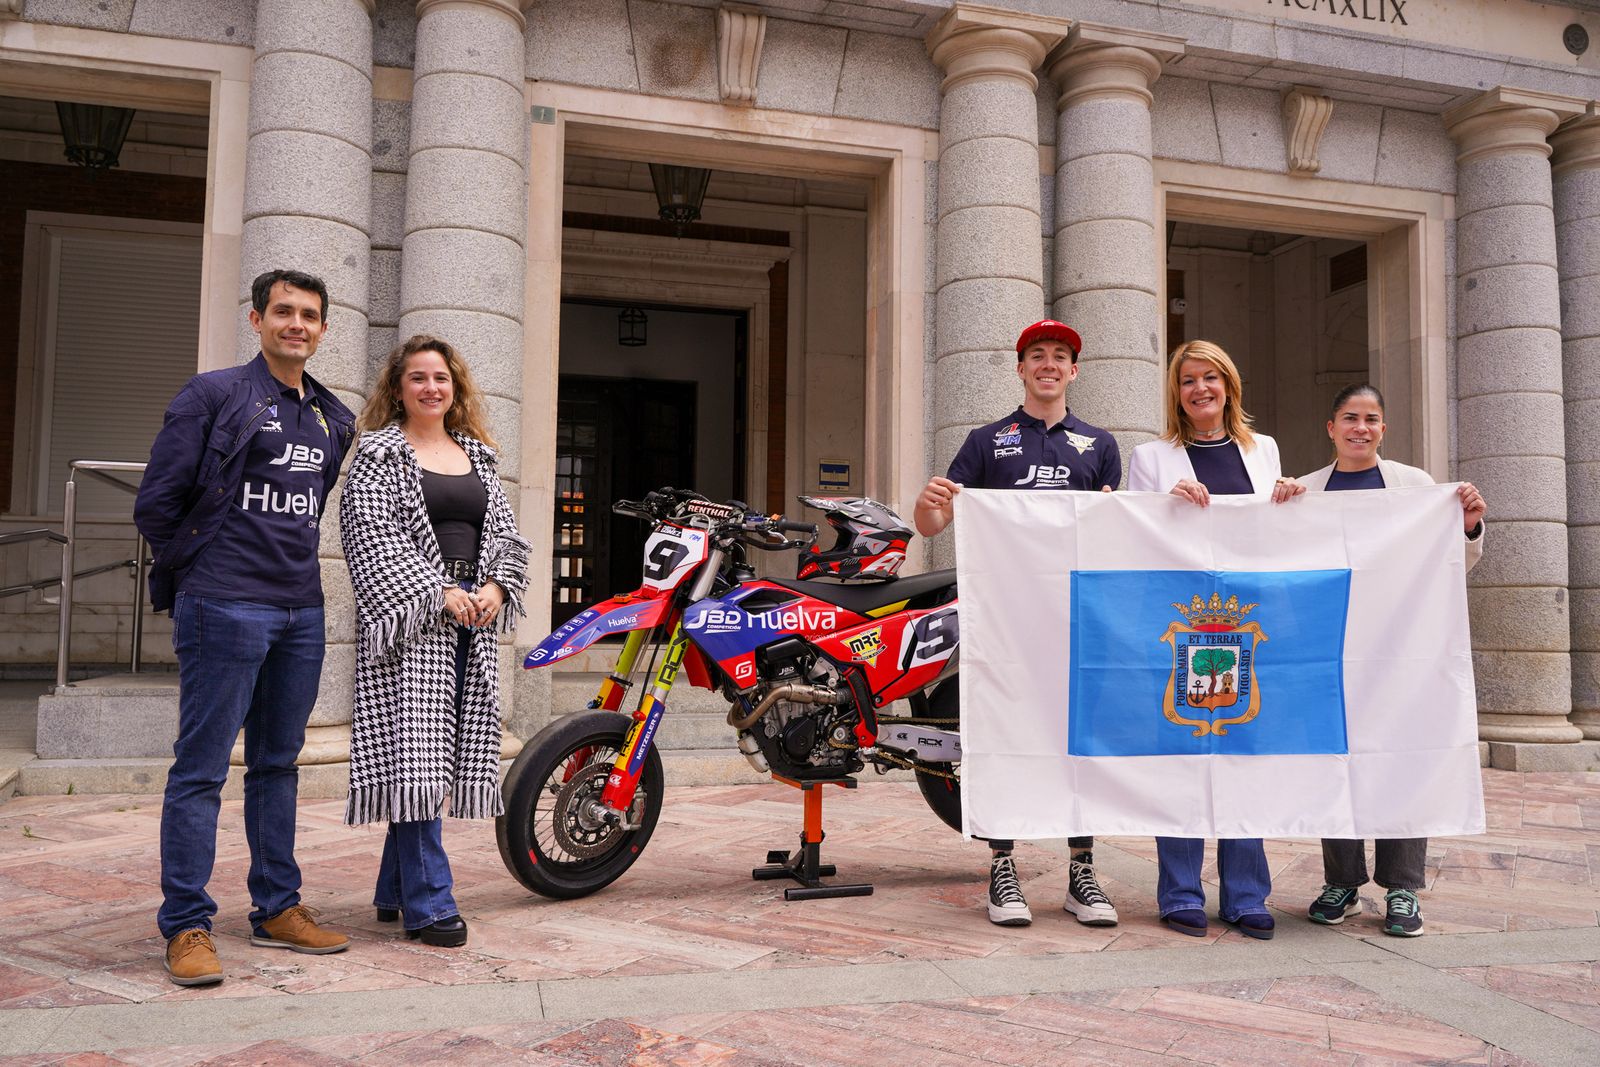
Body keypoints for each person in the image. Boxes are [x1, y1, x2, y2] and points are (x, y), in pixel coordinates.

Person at [134, 269, 357, 986]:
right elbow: (157, 502)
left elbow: (309, 506)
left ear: (323, 330)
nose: (297, 323)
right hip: (224, 604)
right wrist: (201, 575)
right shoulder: (215, 395)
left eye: (310, 315)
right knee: (200, 768)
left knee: (277, 765)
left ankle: (277, 908)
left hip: (301, 609)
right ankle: (187, 925)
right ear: (257, 318)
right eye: (284, 311)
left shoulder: (332, 417)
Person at [914, 319, 1121, 928]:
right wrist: (930, 508)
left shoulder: (1100, 444)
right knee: (1001, 737)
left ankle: (1082, 873)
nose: (1049, 364)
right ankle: (1002, 869)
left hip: (1077, 620)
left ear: (1074, 371)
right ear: (1021, 368)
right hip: (1002, 622)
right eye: (1037, 356)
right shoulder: (986, 441)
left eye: (1060, 356)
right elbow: (935, 525)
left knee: (1079, 740)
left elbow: (1116, 537)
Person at [339, 335, 529, 948]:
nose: (431, 388)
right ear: (398, 389)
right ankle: (430, 904)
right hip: (413, 627)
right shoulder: (379, 453)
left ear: (456, 387)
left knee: (439, 760)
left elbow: (505, 533)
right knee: (418, 759)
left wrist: (497, 586)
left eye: (440, 378)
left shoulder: (477, 454)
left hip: (472, 622)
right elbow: (368, 534)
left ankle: (395, 889)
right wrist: (436, 590)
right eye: (417, 378)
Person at [1127, 339, 1304, 941]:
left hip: (1249, 623)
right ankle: (1179, 893)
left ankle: (1247, 894)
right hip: (1181, 624)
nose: (1199, 389)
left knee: (1241, 752)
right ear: (1176, 394)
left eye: (1210, 378)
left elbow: (1277, 536)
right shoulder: (1151, 456)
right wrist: (1161, 506)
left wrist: (1289, 500)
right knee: (1181, 752)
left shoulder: (1266, 450)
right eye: (1187, 381)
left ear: (1229, 385)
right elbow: (1131, 537)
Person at [1300, 383, 1485, 937]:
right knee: (1339, 760)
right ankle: (1343, 882)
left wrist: (1469, 523)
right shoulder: (1305, 490)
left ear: (1384, 428)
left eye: (1372, 419)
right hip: (1330, 650)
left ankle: (1403, 888)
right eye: (1350, 418)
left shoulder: (1415, 487)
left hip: (1401, 650)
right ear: (1331, 428)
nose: (1361, 428)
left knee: (1404, 758)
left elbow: (1451, 563)